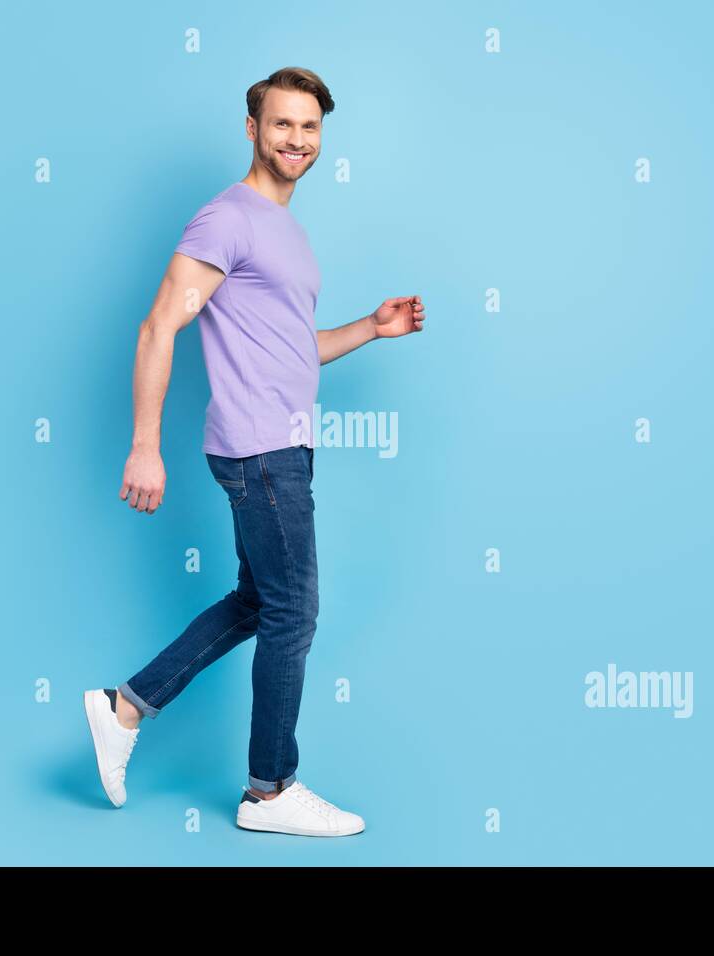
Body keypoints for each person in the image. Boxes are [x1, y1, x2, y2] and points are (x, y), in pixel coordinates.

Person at [83, 66, 426, 837]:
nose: (296, 140)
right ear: (252, 129)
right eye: (282, 125)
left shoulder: (286, 233)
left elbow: (291, 349)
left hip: (285, 448)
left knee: (259, 601)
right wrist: (144, 447)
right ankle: (269, 791)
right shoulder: (226, 221)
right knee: (295, 612)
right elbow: (156, 327)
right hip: (260, 451)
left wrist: (370, 328)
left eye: (309, 128)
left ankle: (124, 707)